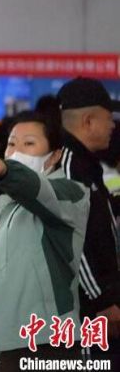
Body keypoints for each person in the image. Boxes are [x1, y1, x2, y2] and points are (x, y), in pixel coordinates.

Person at [0, 111, 90, 371]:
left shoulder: (70, 194)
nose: (16, 152)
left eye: (29, 143)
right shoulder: (6, 202)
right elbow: (14, 262)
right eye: (12, 143)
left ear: (55, 155)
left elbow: (36, 188)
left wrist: (7, 172)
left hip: (41, 344)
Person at [58, 77, 120, 363]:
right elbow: (72, 239)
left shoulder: (86, 164)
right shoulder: (70, 166)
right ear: (88, 121)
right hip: (87, 310)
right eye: (108, 119)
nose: (112, 126)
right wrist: (102, 300)